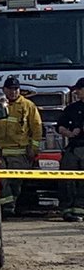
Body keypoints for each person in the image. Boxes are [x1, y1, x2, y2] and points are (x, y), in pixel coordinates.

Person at [0, 75, 42, 217]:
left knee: (16, 182)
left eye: (16, 89)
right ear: (4, 89)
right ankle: (6, 208)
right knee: (1, 180)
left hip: (19, 152)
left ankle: (10, 205)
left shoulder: (28, 106)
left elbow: (36, 128)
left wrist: (33, 149)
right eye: (10, 89)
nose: (13, 92)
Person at [57, 78, 84, 221]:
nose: (76, 92)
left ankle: (80, 210)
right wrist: (69, 133)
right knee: (66, 179)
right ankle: (67, 210)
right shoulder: (72, 108)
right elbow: (60, 125)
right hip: (73, 148)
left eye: (79, 89)